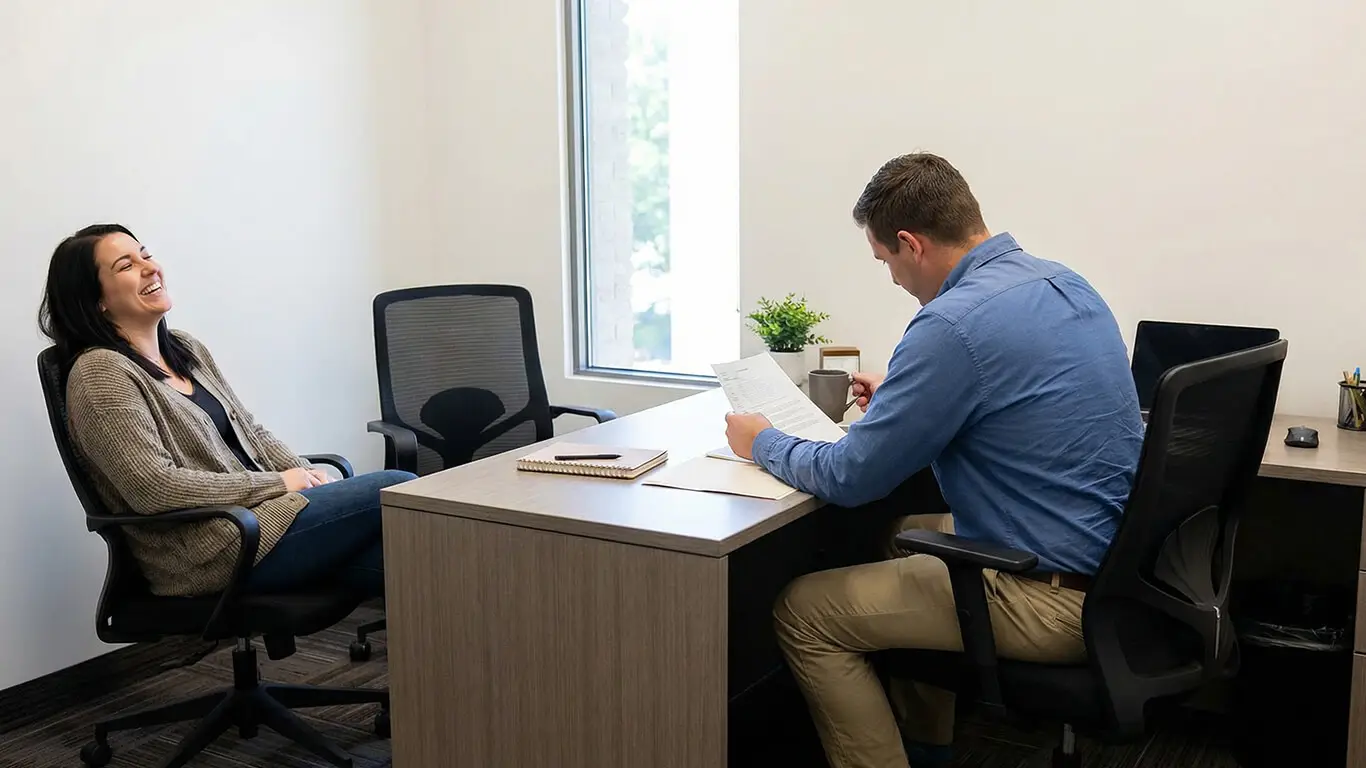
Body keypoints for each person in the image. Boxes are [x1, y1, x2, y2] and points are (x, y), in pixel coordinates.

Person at [724, 154, 1145, 768]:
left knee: (802, 612)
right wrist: (907, 394)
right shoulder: (1064, 283)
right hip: (1120, 572)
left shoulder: (951, 323)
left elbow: (848, 476)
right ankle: (927, 750)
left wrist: (762, 440)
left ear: (911, 244)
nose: (893, 278)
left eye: (885, 261)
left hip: (1052, 598)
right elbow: (1016, 400)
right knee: (902, 535)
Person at [39, 223, 416, 599]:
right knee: (396, 486)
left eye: (146, 255)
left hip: (264, 520)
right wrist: (282, 482)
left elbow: (251, 431)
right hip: (214, 552)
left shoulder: (185, 349)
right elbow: (155, 487)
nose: (150, 268)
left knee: (415, 553)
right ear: (96, 301)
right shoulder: (100, 373)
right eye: (126, 266)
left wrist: (308, 475)